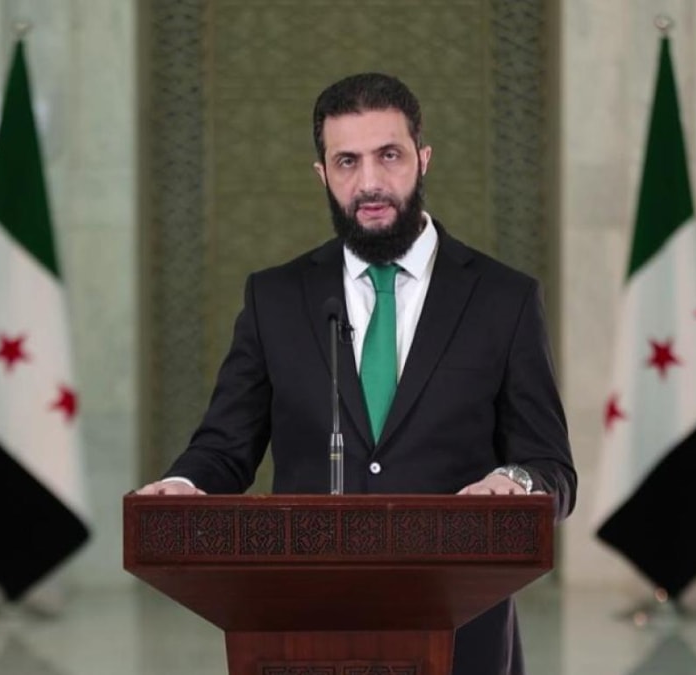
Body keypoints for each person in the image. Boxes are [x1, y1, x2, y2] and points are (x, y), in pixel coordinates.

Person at [136, 72, 575, 675]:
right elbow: (224, 447)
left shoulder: (504, 299)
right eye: (347, 161)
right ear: (323, 174)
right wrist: (184, 487)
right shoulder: (275, 298)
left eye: (388, 155)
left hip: (463, 637)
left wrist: (515, 483)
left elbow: (552, 466)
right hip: (302, 634)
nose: (369, 182)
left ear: (423, 159)